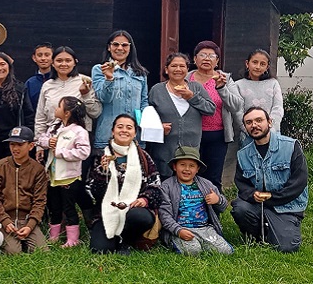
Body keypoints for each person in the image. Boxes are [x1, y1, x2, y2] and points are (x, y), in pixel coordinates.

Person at [231, 107, 308, 253]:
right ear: (246, 127)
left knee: (286, 247)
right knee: (240, 208)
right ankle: (257, 235)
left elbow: (299, 181)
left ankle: (281, 227)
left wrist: (273, 197)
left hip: (286, 206)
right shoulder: (243, 154)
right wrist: (252, 194)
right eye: (249, 122)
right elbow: (241, 183)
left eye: (259, 120)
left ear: (270, 122)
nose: (254, 125)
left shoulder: (290, 146)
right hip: (257, 205)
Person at [88, 114, 163, 255]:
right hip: (107, 212)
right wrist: (103, 173)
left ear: (135, 133)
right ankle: (114, 238)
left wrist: (144, 199)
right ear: (112, 131)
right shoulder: (100, 156)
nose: (124, 130)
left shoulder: (144, 157)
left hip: (133, 210)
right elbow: (92, 193)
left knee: (141, 217)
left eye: (129, 127)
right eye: (119, 127)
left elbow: (156, 186)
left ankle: (126, 241)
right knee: (100, 250)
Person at [148, 52, 216, 181]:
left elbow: (210, 109)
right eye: (174, 66)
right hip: (164, 151)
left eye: (182, 66)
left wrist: (191, 97)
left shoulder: (196, 87)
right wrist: (158, 127)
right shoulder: (157, 90)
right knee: (164, 189)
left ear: (187, 69)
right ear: (167, 69)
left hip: (190, 151)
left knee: (187, 188)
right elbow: (147, 116)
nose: (178, 69)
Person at [185, 40, 243, 191]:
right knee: (189, 175)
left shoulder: (225, 79)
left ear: (217, 61)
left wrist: (222, 88)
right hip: (190, 135)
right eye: (202, 54)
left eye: (211, 55)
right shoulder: (186, 79)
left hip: (217, 136)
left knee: (213, 177)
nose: (206, 58)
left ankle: (213, 212)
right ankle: (191, 212)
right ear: (195, 59)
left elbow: (237, 106)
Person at [37, 96, 93, 247]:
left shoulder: (79, 131)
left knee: (69, 208)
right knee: (54, 206)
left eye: (59, 106)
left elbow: (83, 152)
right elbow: (41, 139)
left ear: (67, 113)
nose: (55, 109)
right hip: (53, 176)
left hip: (69, 177)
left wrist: (61, 152)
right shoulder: (55, 127)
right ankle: (54, 236)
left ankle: (72, 240)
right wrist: (48, 143)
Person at [159, 146, 233, 255]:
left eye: (192, 166)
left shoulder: (206, 184)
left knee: (225, 251)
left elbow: (223, 206)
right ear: (175, 167)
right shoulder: (167, 186)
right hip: (181, 229)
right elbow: (164, 214)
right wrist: (178, 231)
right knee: (193, 250)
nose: (187, 169)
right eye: (182, 165)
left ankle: (205, 241)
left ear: (197, 169)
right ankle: (175, 241)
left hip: (205, 228)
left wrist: (217, 200)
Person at [34, 46, 101, 162]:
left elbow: (95, 113)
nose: (63, 64)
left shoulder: (85, 81)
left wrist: (85, 95)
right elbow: (40, 117)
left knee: (77, 177)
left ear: (75, 62)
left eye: (68, 60)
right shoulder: (47, 85)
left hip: (79, 140)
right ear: (53, 63)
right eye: (59, 61)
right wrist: (39, 145)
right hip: (53, 139)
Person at [0, 126, 48, 255]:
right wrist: (5, 221)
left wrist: (30, 225)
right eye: (12, 144)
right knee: (13, 252)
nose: (15, 149)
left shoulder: (37, 170)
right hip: (6, 219)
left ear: (31, 146)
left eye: (20, 145)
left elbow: (40, 201)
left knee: (42, 252)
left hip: (27, 219)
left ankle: (27, 235)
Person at [92, 30, 149, 151]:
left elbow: (144, 102)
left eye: (124, 45)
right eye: (115, 44)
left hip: (135, 135)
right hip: (107, 135)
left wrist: (147, 125)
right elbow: (104, 98)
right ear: (109, 47)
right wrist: (109, 78)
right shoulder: (99, 69)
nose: (120, 48)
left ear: (130, 48)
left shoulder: (140, 73)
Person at [235, 49, 284, 133]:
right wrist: (248, 129)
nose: (258, 67)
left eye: (262, 64)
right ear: (247, 64)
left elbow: (278, 108)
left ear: (267, 67)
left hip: (270, 132)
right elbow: (238, 111)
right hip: (247, 133)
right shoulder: (238, 85)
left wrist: (269, 129)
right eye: (255, 62)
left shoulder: (273, 83)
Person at [25, 42, 53, 110]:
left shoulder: (59, 79)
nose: (43, 58)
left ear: (53, 58)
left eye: (47, 55)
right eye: (39, 55)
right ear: (34, 58)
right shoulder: (30, 83)